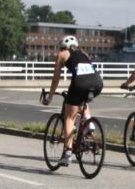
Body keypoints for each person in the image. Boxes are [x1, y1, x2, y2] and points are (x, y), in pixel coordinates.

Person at [42, 35, 104, 166]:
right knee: (82, 100)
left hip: (80, 84)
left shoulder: (62, 54)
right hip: (97, 83)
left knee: (69, 117)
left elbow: (56, 77)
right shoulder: (84, 53)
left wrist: (50, 96)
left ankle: (67, 153)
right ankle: (88, 122)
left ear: (62, 47)